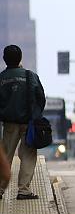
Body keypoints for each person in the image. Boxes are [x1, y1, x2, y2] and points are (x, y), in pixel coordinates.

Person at [0, 45, 45, 200]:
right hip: (28, 125)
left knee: (5, 156)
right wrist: (35, 116)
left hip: (9, 124)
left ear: (4, 59)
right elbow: (41, 98)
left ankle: (0, 189)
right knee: (28, 156)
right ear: (20, 58)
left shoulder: (1, 78)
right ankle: (24, 191)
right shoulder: (30, 76)